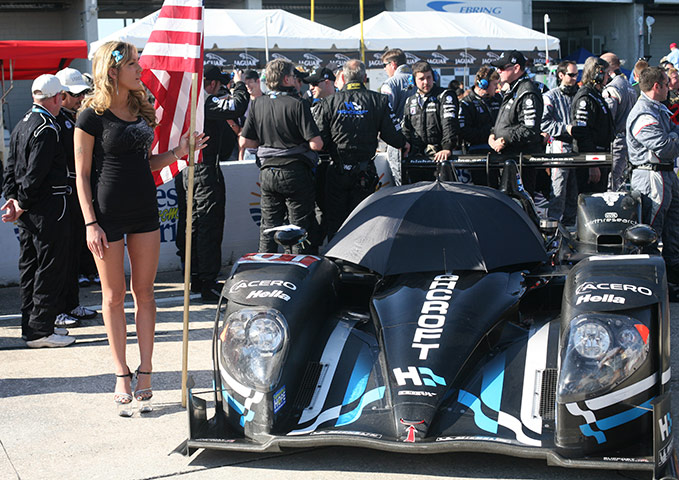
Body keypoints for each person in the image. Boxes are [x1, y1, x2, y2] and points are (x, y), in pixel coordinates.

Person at [74, 41, 207, 415]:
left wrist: (179, 153)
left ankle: (146, 370)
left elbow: (147, 163)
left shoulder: (141, 110)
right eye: (132, 64)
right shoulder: (90, 117)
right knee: (113, 297)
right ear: (112, 70)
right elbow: (82, 177)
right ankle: (121, 372)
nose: (139, 68)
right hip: (106, 215)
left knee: (144, 294)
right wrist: (90, 223)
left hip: (144, 211)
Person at [1, 74, 75, 348]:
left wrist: (12, 198)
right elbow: (36, 172)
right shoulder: (47, 126)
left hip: (30, 209)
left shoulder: (22, 123)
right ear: (56, 98)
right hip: (47, 208)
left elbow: (11, 167)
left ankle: (32, 326)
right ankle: (40, 331)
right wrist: (20, 202)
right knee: (48, 268)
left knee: (30, 267)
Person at [317, 59, 409, 239]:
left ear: (342, 77)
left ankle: (335, 261)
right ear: (365, 78)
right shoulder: (378, 100)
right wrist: (404, 143)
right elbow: (393, 136)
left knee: (336, 221)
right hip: (364, 173)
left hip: (337, 170)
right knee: (363, 221)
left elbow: (320, 138)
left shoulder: (329, 102)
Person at [239, 58, 323, 253]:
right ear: (286, 79)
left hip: (268, 171)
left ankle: (262, 273)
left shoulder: (258, 103)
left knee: (268, 227)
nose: (295, 80)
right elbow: (316, 144)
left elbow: (245, 142)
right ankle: (298, 275)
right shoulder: (298, 104)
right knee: (299, 229)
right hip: (295, 171)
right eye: (294, 76)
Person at [186, 65, 248, 302]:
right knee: (208, 225)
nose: (222, 89)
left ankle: (196, 277)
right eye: (220, 85)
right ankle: (207, 281)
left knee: (193, 225)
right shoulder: (203, 101)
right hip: (204, 168)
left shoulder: (189, 99)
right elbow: (238, 105)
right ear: (212, 84)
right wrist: (239, 84)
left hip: (190, 168)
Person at [626, 66, 679, 295]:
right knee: (652, 231)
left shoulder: (659, 109)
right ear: (656, 86)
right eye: (667, 84)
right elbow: (665, 147)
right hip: (651, 176)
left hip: (666, 175)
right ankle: (650, 284)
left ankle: (673, 282)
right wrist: (675, 136)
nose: (670, 88)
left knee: (673, 229)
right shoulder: (643, 112)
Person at [54, 67, 98, 325]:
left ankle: (71, 304)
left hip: (74, 196)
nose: (80, 98)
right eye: (75, 94)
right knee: (60, 257)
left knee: (72, 255)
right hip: (61, 197)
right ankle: (58, 308)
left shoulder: (72, 118)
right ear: (60, 94)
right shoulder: (54, 122)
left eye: (83, 93)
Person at [489, 50, 544, 194]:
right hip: (507, 159)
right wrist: (492, 134)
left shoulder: (527, 91)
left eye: (502, 68)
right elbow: (504, 122)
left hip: (521, 161)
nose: (498, 71)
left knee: (521, 206)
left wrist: (505, 139)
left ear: (516, 68)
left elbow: (530, 130)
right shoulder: (513, 89)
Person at [402, 60, 459, 182]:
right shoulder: (410, 101)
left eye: (429, 77)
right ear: (413, 80)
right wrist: (405, 146)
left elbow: (449, 124)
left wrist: (447, 147)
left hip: (439, 157)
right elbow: (406, 128)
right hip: (415, 159)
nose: (426, 82)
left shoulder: (445, 95)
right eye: (421, 79)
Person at [569, 56, 614, 194]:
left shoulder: (596, 95)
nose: (608, 76)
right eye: (606, 73)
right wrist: (592, 165)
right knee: (590, 201)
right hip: (591, 160)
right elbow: (582, 133)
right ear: (597, 74)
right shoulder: (586, 97)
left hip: (601, 157)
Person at [541, 60, 579, 225]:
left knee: (574, 190)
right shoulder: (550, 96)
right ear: (561, 75)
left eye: (576, 75)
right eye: (571, 75)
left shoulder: (580, 93)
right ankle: (554, 225)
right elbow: (543, 123)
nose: (574, 78)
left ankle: (571, 225)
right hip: (559, 145)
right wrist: (565, 128)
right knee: (559, 188)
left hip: (578, 146)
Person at [600, 52, 637, 191]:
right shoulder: (628, 85)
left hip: (616, 140)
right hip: (627, 139)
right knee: (620, 179)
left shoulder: (613, 87)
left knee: (613, 181)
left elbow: (609, 117)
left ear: (608, 66)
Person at [380, 48, 414, 185]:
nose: (384, 70)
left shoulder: (390, 84)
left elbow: (386, 114)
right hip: (420, 140)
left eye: (384, 66)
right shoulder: (420, 79)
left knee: (400, 184)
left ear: (393, 64)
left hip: (399, 141)